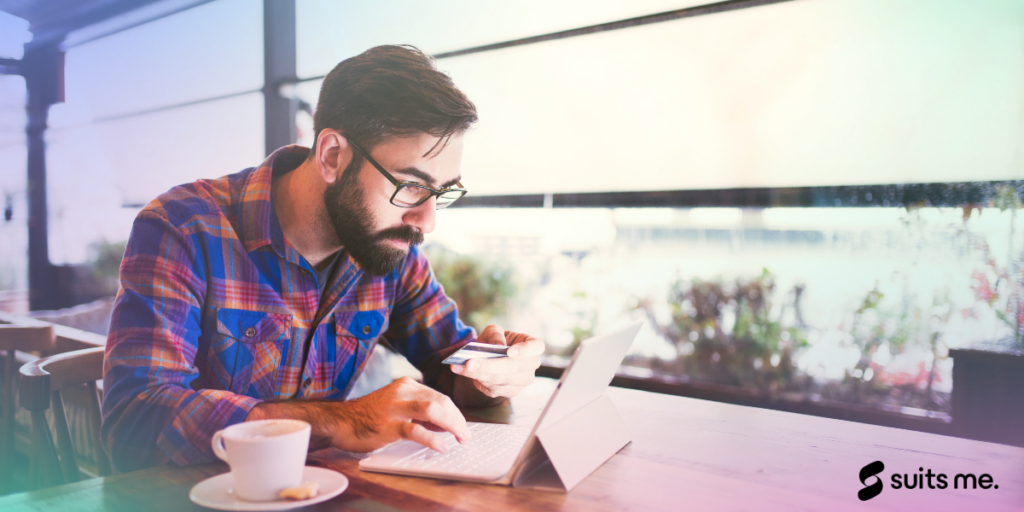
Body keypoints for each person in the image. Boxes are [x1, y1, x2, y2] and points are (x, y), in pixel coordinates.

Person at [101, 45, 544, 472]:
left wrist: (497, 372)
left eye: (441, 193)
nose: (426, 222)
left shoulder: (391, 249)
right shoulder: (184, 227)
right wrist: (342, 421)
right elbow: (134, 423)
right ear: (333, 156)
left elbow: (452, 367)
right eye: (411, 185)